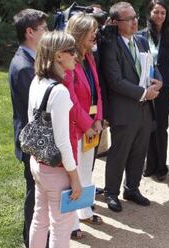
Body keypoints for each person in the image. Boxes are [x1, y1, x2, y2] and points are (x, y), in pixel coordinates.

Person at [100, 1, 162, 212]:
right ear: (116, 22)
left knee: (139, 151)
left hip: (145, 109)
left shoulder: (142, 41)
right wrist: (144, 93)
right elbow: (115, 81)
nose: (135, 21)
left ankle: (132, 188)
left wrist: (158, 81)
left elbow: (152, 68)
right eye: (129, 19)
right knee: (119, 153)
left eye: (135, 17)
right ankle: (111, 193)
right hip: (124, 110)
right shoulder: (111, 45)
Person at [28, 31, 82, 248]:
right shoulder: (59, 91)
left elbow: (30, 121)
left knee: (39, 219)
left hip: (38, 162)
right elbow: (62, 142)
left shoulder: (37, 80)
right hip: (57, 169)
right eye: (72, 51)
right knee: (61, 226)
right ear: (59, 56)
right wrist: (75, 177)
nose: (76, 56)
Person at [8, 9, 48, 247]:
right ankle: (30, 240)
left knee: (39, 194)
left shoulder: (32, 59)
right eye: (44, 29)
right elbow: (38, 111)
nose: (48, 33)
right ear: (30, 32)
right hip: (32, 142)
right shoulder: (24, 67)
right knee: (34, 195)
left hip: (34, 140)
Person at [65, 13, 104, 237]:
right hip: (75, 127)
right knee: (74, 176)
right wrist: (88, 123)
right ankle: (71, 224)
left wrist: (98, 118)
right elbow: (70, 100)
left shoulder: (89, 56)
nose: (95, 35)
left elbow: (97, 89)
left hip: (90, 125)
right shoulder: (68, 60)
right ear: (80, 34)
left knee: (86, 171)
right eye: (92, 31)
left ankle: (85, 210)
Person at [138, 0, 169, 182]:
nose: (159, 16)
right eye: (156, 12)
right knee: (148, 125)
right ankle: (150, 165)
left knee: (161, 126)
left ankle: (161, 167)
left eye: (163, 13)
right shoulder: (140, 36)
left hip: (164, 88)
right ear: (150, 13)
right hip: (145, 87)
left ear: (166, 15)